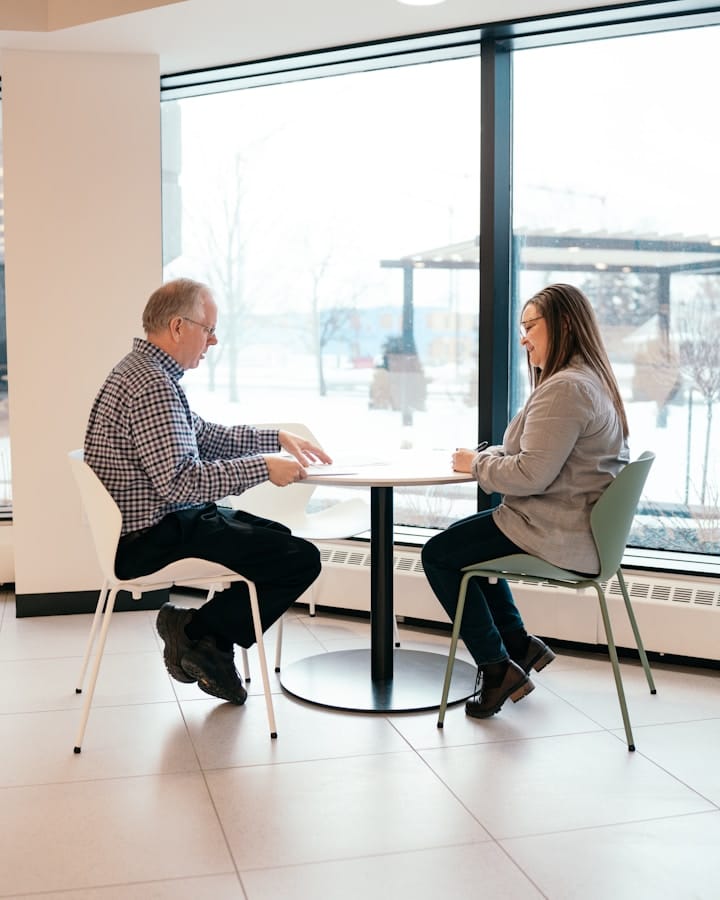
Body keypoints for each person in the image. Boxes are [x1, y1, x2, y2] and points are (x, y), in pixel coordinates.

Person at [84, 277, 332, 704]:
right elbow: (180, 483)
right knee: (298, 560)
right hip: (152, 538)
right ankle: (197, 633)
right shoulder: (152, 386)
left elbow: (204, 435)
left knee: (279, 542)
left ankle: (204, 640)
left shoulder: (144, 372)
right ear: (179, 327)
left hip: (158, 525)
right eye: (208, 329)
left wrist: (274, 438)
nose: (213, 340)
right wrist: (263, 469)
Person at [422, 283, 630, 719]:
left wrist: (476, 464)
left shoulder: (565, 389)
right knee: (460, 549)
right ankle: (517, 644)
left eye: (530, 326)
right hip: (568, 524)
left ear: (564, 324)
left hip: (553, 530)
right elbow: (529, 455)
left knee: (439, 556)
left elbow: (530, 474)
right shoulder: (585, 380)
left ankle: (498, 670)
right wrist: (487, 457)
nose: (523, 339)